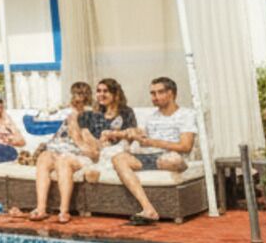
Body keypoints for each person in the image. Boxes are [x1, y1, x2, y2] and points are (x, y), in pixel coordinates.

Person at [112, 77, 197, 226]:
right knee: (119, 158)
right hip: (151, 157)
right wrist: (133, 135)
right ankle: (148, 208)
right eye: (152, 93)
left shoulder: (186, 115)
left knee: (173, 160)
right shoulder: (151, 118)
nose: (154, 97)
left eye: (159, 93)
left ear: (171, 94)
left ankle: (180, 167)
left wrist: (153, 142)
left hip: (172, 156)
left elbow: (186, 146)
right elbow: (144, 140)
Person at [27, 81, 100, 224]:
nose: (78, 98)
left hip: (77, 152)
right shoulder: (64, 113)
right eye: (76, 94)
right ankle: (41, 208)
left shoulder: (91, 115)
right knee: (43, 158)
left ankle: (63, 210)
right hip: (57, 149)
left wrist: (76, 128)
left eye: (82, 94)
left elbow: (92, 145)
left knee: (62, 161)